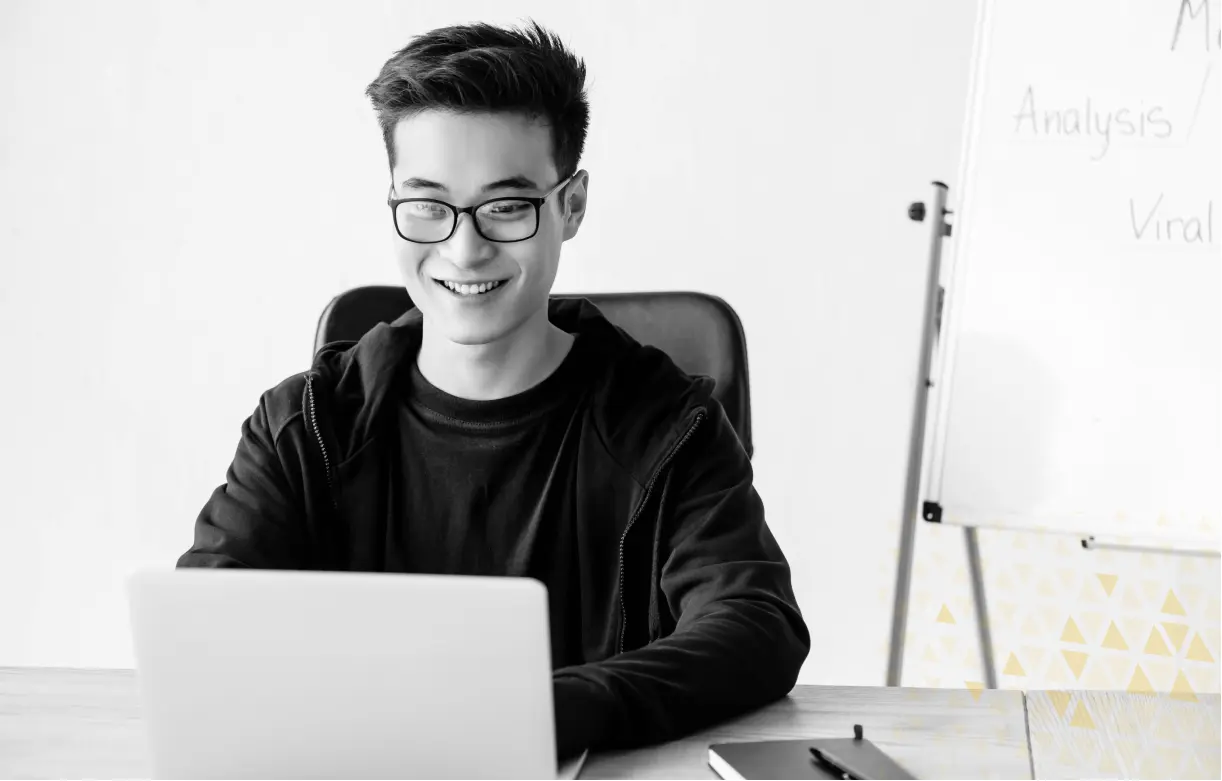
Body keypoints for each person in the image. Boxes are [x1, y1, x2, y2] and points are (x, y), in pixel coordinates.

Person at [177, 18, 810, 761]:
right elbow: (204, 630)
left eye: (506, 206)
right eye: (427, 203)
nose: (463, 245)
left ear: (570, 206)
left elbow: (755, 623)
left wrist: (550, 710)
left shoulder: (668, 424)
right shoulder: (306, 424)